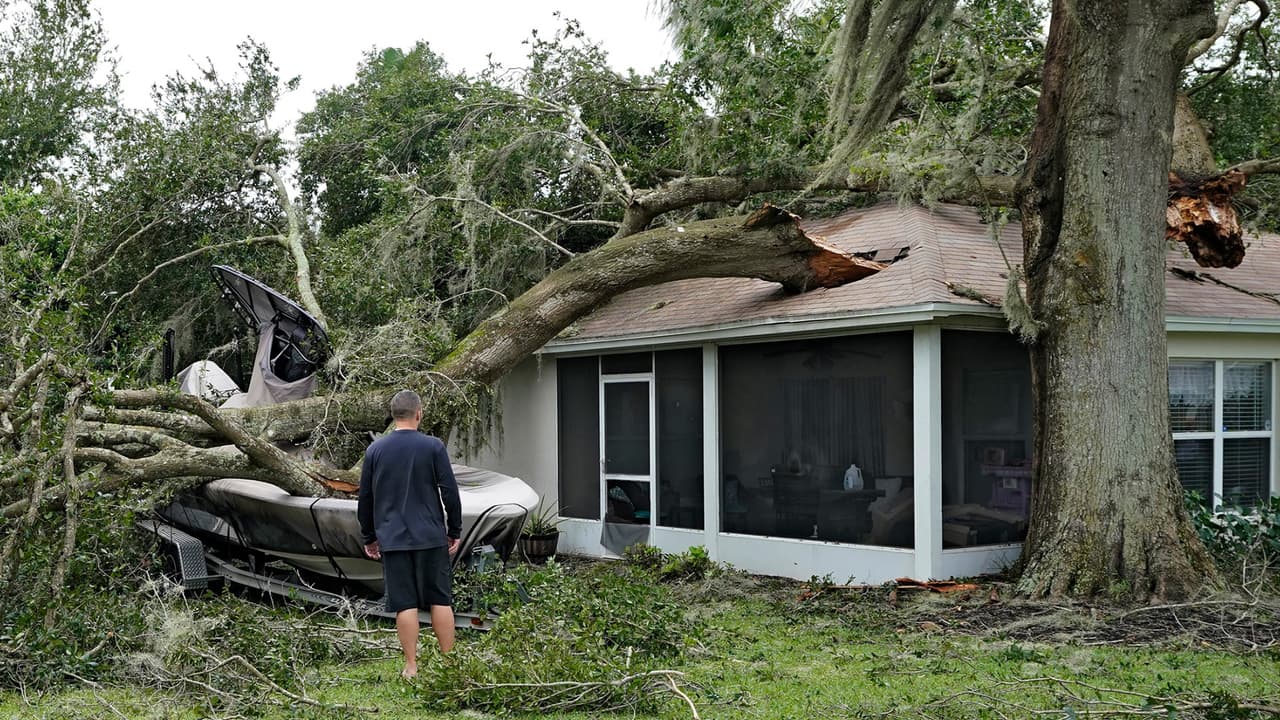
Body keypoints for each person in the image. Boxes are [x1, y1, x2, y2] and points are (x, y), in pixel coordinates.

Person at [357, 389, 462, 679]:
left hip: (393, 538)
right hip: (430, 535)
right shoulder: (433, 446)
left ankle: (411, 666)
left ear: (393, 416)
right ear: (419, 413)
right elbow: (450, 491)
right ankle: (448, 664)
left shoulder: (375, 450)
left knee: (405, 602)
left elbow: (365, 497)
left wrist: (369, 536)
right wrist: (454, 530)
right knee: (440, 599)